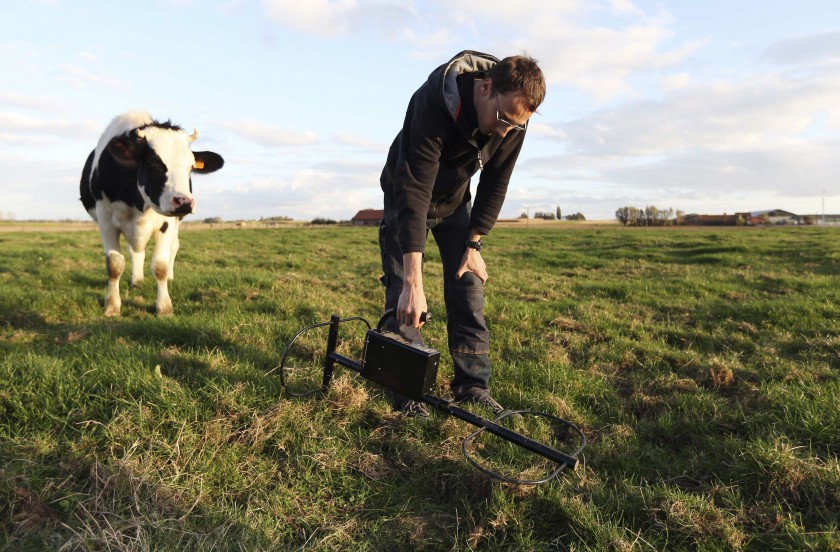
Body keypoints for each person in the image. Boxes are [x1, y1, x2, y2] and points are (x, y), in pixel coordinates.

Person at [378, 50, 546, 416]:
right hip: (406, 196)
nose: (505, 131)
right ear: (485, 87)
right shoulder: (432, 102)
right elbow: (415, 190)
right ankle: (407, 392)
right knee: (404, 298)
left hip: (454, 203)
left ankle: (473, 386)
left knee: (468, 288)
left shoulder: (513, 117)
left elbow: (496, 181)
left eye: (515, 126)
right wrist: (413, 281)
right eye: (503, 119)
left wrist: (474, 243)